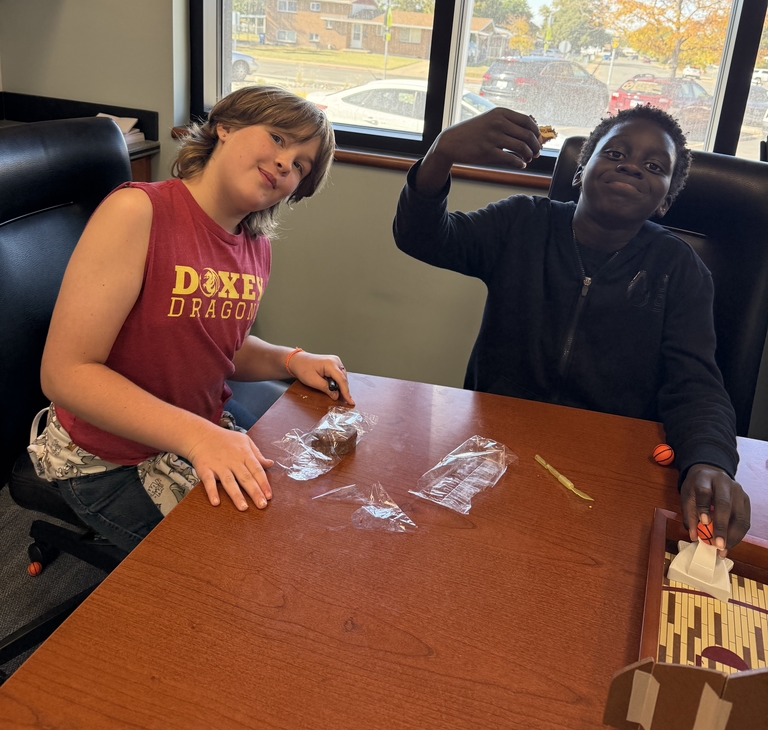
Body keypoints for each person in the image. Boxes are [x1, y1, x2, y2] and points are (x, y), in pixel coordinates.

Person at [393, 103, 751, 553]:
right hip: (496, 451)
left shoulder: (680, 270)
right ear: (581, 171)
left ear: (664, 200)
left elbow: (696, 383)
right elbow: (421, 236)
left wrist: (710, 460)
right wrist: (441, 153)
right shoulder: (520, 222)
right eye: (615, 153)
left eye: (654, 166)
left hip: (606, 466)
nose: (632, 167)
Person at [35, 86, 352, 553]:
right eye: (279, 139)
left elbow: (213, 341)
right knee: (234, 570)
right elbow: (65, 374)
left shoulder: (255, 248)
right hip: (108, 458)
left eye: (302, 165)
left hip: (192, 430)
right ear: (225, 127)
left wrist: (291, 359)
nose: (288, 164)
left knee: (301, 517)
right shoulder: (138, 211)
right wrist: (200, 439)